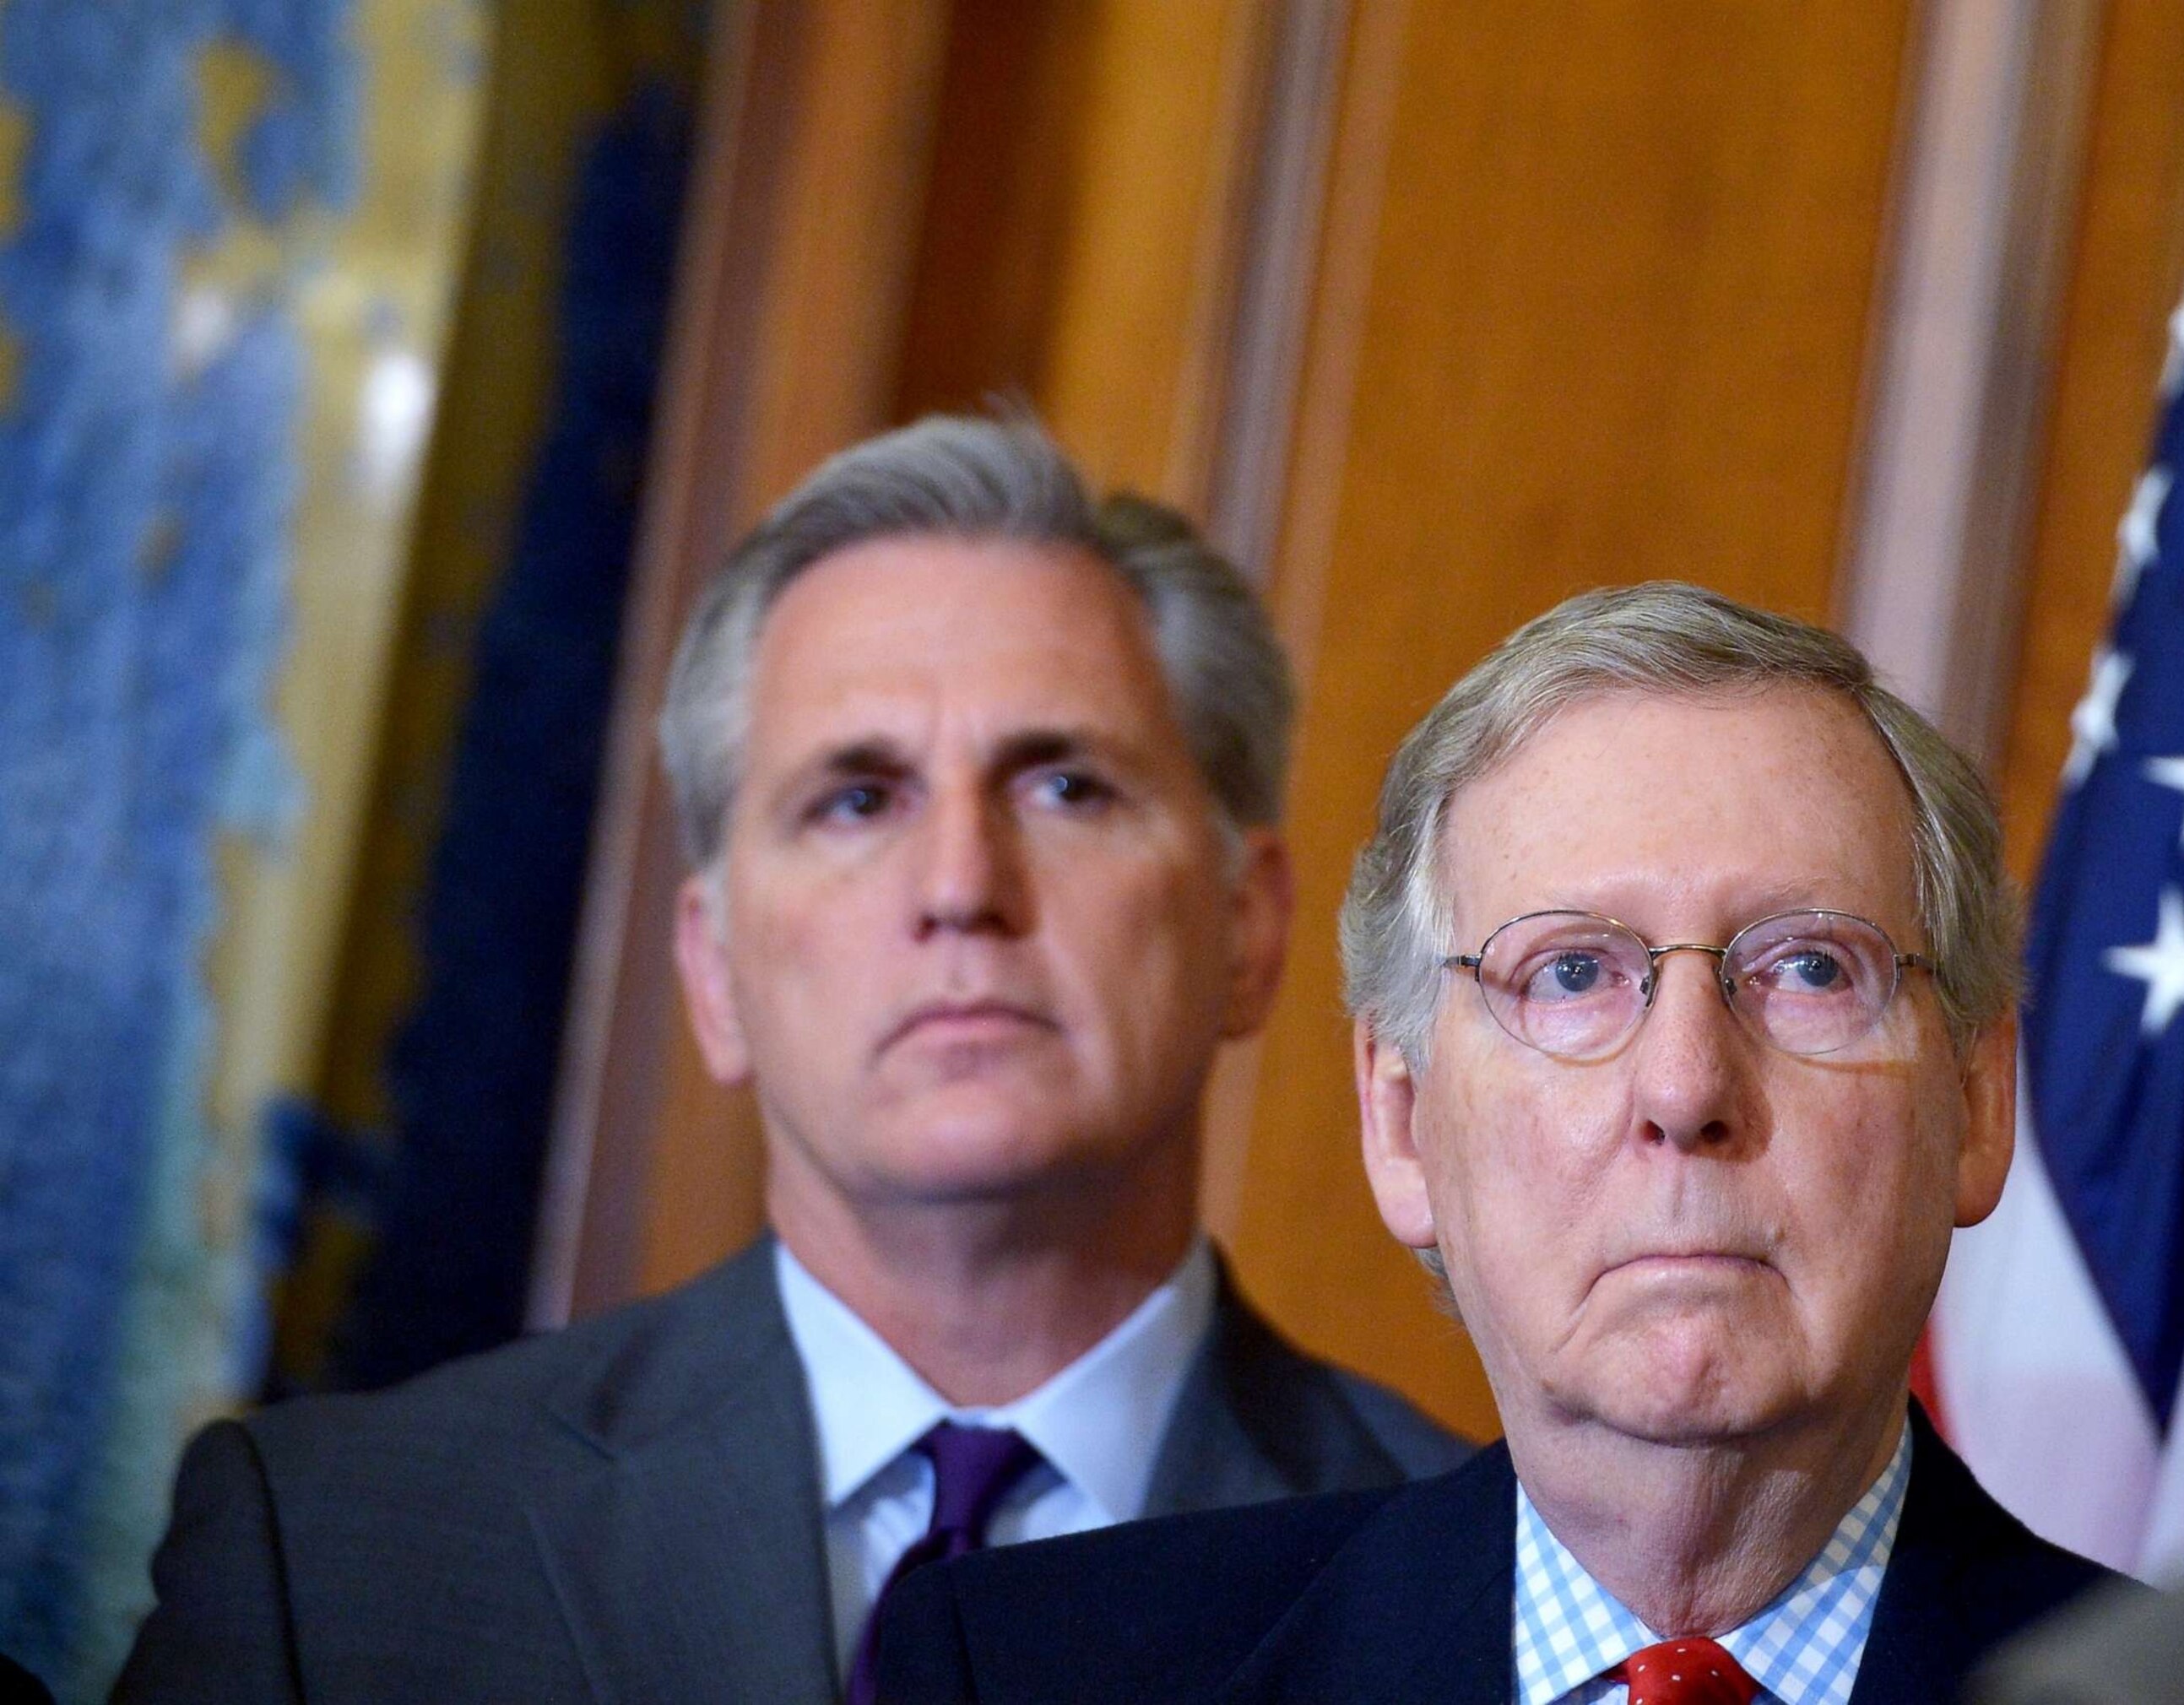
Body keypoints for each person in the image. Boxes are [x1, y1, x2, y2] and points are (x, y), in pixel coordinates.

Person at [114, 415, 1466, 1703]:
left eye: (1066, 786)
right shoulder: (333, 1557)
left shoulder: (1490, 1593)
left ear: (1247, 926)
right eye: (857, 799)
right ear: (712, 972)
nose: (958, 884)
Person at [874, 582, 2123, 1704]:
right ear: (1403, 1119)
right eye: (1571, 972)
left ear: (1975, 1099)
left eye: (1806, 968)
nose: (1685, 1087)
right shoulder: (1036, 1674)